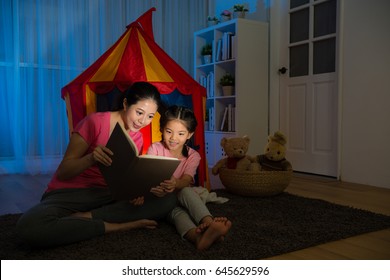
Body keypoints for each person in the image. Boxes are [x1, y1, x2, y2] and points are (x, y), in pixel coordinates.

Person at [16, 82, 177, 248]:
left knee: (169, 200)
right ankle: (116, 226)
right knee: (29, 226)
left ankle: (86, 217)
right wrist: (91, 158)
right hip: (72, 193)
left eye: (150, 116)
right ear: (125, 103)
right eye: (139, 112)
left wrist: (137, 192)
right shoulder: (94, 122)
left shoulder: (138, 138)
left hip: (108, 195)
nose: (143, 121)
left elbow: (124, 176)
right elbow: (63, 172)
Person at [147, 105, 232, 250]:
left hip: (182, 195)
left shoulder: (193, 155)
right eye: (169, 132)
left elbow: (186, 180)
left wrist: (175, 183)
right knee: (176, 213)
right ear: (161, 129)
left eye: (180, 133)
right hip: (162, 201)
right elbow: (148, 177)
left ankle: (206, 227)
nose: (173, 138)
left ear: (189, 135)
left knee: (185, 193)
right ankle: (203, 232)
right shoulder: (154, 149)